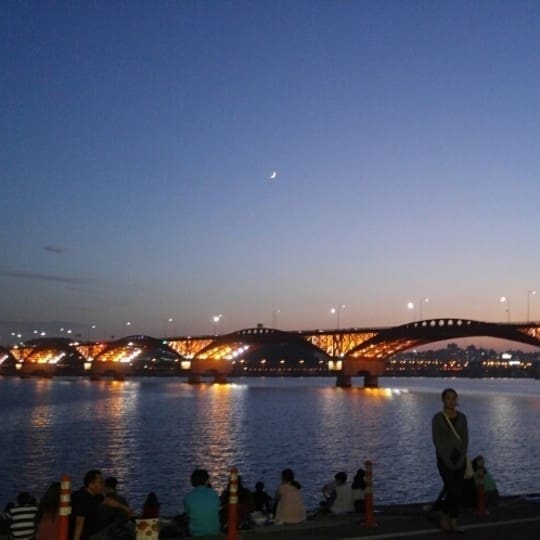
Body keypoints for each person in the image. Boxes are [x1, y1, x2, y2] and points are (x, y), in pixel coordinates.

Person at [432, 388, 468, 533]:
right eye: (448, 398)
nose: (451, 401)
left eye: (454, 398)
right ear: (443, 400)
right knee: (452, 487)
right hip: (444, 459)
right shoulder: (438, 418)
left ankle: (453, 519)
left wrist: (461, 458)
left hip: (460, 459)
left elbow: (465, 439)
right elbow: (437, 441)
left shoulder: (462, 417)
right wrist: (447, 460)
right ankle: (445, 515)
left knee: (457, 491)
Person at [182, 468, 221, 538]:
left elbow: (187, 514)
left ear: (192, 482)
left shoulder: (188, 497)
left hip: (196, 534)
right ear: (207, 481)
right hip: (214, 533)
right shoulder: (214, 494)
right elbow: (217, 508)